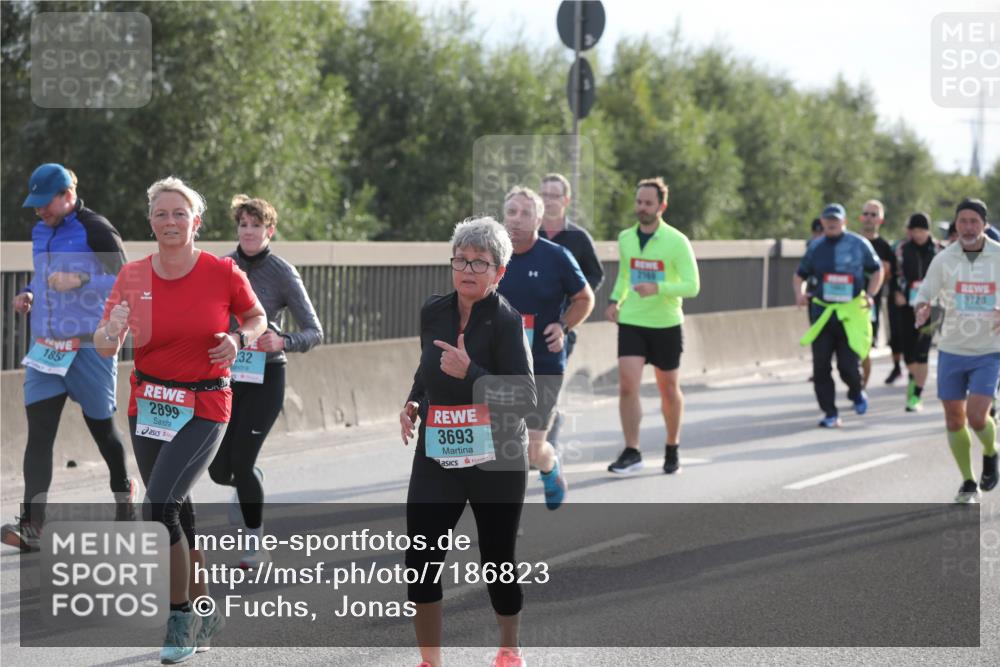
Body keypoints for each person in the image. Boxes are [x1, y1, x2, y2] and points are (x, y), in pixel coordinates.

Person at [95, 177, 266, 662]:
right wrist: (109, 329)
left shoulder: (222, 271)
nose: (170, 222)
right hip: (149, 405)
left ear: (196, 221)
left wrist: (239, 339)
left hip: (206, 405)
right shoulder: (132, 275)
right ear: (150, 222)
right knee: (179, 512)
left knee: (159, 508)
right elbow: (105, 343)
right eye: (161, 214)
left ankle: (179, 619)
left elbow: (256, 319)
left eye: (179, 213)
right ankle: (205, 607)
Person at [399, 216, 536, 667]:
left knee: (496, 558)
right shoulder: (433, 310)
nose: (468, 269)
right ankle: (430, 661)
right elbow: (428, 367)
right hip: (439, 448)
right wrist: (414, 400)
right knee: (420, 556)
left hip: (497, 456)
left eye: (481, 262)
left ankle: (509, 648)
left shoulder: (506, 321)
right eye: (461, 259)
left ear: (499, 272)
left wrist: (472, 373)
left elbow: (525, 398)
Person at [1, 164, 135, 553]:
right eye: (35, 205)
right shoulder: (40, 231)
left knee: (103, 431)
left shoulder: (96, 229)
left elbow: (129, 282)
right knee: (39, 435)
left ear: (68, 195)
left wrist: (83, 280)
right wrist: (28, 292)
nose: (39, 211)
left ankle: (124, 493)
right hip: (47, 347)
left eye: (45, 204)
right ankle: (32, 525)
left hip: (89, 348)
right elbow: (42, 275)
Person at [208, 195, 323, 570]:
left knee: (240, 463)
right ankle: (249, 480)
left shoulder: (282, 272)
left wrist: (283, 340)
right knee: (217, 469)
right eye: (243, 225)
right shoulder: (222, 266)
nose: (249, 232)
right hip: (227, 374)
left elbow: (314, 331)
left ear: (269, 230)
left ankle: (256, 546)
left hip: (267, 375)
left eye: (256, 226)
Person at [498, 186, 594, 509]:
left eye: (526, 213)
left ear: (539, 218)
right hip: (501, 364)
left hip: (544, 362)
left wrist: (563, 325)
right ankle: (505, 517)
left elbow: (585, 298)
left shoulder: (556, 257)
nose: (517, 219)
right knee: (500, 444)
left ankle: (550, 466)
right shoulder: (491, 256)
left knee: (531, 450)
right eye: (512, 211)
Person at [606, 177, 700, 475]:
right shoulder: (625, 238)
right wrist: (614, 299)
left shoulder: (676, 241)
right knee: (626, 386)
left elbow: (692, 286)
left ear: (662, 206)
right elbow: (624, 276)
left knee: (668, 389)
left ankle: (672, 446)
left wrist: (658, 288)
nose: (642, 208)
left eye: (648, 203)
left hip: (666, 324)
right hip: (633, 320)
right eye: (639, 202)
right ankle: (632, 450)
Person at [913, 197, 1000, 504]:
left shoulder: (998, 256)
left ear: (984, 224)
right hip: (951, 348)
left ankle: (991, 451)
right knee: (953, 418)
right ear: (956, 224)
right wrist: (922, 307)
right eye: (962, 221)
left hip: (989, 349)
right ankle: (967, 482)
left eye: (974, 221)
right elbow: (925, 292)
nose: (967, 227)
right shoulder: (945, 258)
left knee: (977, 416)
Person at [795, 203, 883, 428]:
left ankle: (857, 391)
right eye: (828, 219)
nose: (832, 222)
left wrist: (871, 295)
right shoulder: (815, 247)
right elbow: (800, 275)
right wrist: (800, 294)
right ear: (822, 222)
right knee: (821, 366)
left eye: (836, 219)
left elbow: (877, 270)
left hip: (850, 313)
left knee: (847, 365)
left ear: (844, 221)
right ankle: (830, 413)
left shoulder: (858, 244)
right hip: (823, 313)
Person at [537, 173, 604, 447]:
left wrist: (574, 297)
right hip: (528, 322)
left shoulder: (578, 238)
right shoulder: (528, 234)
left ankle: (545, 439)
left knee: (549, 384)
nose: (548, 200)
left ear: (566, 200)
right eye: (544, 194)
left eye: (554, 195)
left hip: (564, 323)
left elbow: (596, 275)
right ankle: (533, 436)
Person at [893, 213, 938, 412]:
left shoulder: (939, 250)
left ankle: (916, 396)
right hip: (907, 305)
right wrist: (897, 292)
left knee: (923, 351)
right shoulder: (902, 249)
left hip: (933, 307)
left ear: (928, 230)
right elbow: (894, 274)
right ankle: (914, 377)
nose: (918, 235)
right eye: (915, 231)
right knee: (908, 352)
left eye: (922, 230)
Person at [857, 200, 899, 388]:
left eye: (873, 215)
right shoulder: (853, 243)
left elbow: (891, 276)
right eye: (866, 214)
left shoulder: (885, 248)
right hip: (847, 301)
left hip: (870, 303)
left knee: (865, 347)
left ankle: (861, 387)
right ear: (860, 217)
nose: (869, 218)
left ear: (880, 220)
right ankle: (854, 380)